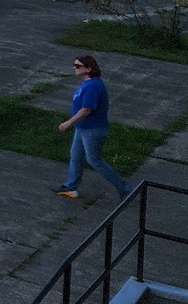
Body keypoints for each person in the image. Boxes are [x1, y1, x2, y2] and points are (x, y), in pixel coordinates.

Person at [53, 53, 132, 200]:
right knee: (76, 156)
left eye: (78, 66)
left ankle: (126, 189)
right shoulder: (88, 83)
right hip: (83, 128)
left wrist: (69, 122)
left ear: (89, 68)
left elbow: (86, 110)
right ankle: (71, 187)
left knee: (94, 160)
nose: (74, 68)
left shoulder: (93, 86)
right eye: (74, 65)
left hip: (92, 130)